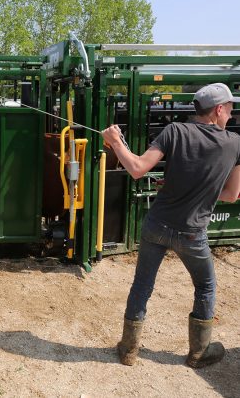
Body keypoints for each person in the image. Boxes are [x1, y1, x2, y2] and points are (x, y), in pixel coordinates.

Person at [102, 83, 240, 368]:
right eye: (229, 109)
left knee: (142, 284)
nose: (231, 114)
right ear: (217, 110)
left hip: (157, 225)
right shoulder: (235, 144)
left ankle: (128, 350)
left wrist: (115, 141)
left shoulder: (175, 131)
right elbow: (231, 194)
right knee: (205, 286)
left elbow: (138, 168)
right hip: (192, 232)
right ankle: (199, 353)